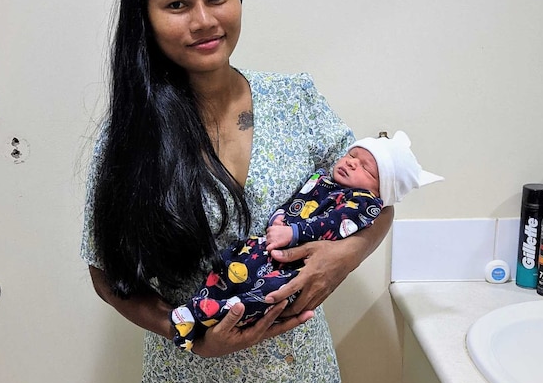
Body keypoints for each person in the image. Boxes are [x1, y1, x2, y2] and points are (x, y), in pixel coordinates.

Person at [81, 0, 395, 383]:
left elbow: (378, 196)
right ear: (147, 18)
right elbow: (105, 274)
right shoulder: (129, 136)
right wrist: (185, 334)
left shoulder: (296, 101)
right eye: (177, 4)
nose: (204, 20)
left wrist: (348, 254)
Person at [171, 131, 443, 351]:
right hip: (265, 249)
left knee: (270, 295)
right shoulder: (321, 181)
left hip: (291, 269)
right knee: (230, 263)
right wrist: (279, 219)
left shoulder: (364, 204)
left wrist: (294, 234)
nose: (350, 162)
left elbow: (329, 225)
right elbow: (294, 202)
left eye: (366, 169)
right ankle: (198, 309)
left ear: (381, 190)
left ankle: (210, 312)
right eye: (351, 155)